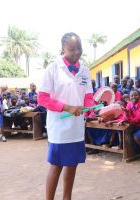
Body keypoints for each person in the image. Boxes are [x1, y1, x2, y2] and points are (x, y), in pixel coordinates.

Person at [38, 32, 93, 200]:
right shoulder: (53, 68)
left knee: (72, 164)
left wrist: (91, 108)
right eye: (71, 49)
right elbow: (43, 98)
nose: (76, 52)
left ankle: (66, 198)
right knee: (57, 165)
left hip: (76, 127)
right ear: (63, 48)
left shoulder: (84, 70)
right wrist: (68, 107)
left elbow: (88, 96)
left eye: (79, 48)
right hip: (59, 127)